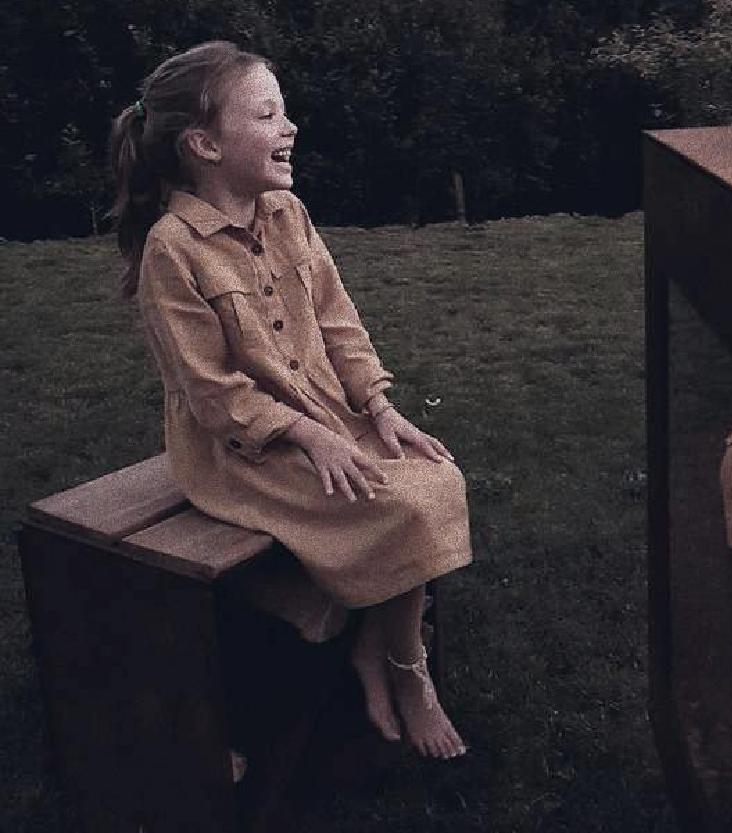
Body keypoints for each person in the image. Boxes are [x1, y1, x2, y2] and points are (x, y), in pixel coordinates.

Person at [109, 40, 472, 761]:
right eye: (268, 113)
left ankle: (378, 645)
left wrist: (376, 406)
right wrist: (306, 435)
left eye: (285, 111)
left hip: (329, 420)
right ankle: (405, 664)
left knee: (437, 474)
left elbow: (341, 322)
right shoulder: (172, 250)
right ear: (205, 144)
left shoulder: (288, 213)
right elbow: (211, 392)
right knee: (404, 503)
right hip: (239, 450)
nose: (290, 126)